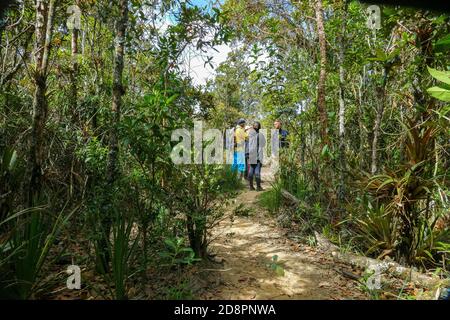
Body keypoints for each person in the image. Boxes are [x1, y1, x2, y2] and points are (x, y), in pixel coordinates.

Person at [247, 121, 266, 191]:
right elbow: (264, 144)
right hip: (258, 155)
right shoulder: (260, 135)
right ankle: (258, 187)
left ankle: (251, 187)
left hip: (251, 154)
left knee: (251, 170)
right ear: (259, 127)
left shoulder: (250, 135)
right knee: (257, 171)